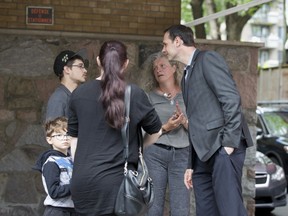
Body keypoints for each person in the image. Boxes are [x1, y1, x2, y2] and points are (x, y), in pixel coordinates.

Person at [162, 24, 253, 216]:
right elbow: (195, 123)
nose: (163, 50)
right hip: (202, 157)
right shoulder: (186, 75)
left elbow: (231, 99)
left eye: (165, 44)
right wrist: (191, 164)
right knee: (205, 211)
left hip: (222, 148)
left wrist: (227, 145)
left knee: (230, 211)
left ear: (178, 41)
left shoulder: (208, 60)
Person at [67, 40, 162, 216]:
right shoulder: (134, 94)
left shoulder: (78, 94)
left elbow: (74, 140)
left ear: (98, 61)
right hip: (118, 186)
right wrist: (139, 147)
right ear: (125, 63)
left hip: (83, 183)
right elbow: (156, 130)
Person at [144, 53, 190, 216]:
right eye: (155, 68)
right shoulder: (148, 97)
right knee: (154, 206)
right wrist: (166, 127)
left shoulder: (187, 95)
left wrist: (184, 122)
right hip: (155, 153)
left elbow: (198, 130)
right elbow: (144, 132)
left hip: (183, 155)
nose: (158, 70)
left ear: (174, 68)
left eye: (162, 66)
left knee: (181, 207)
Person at [34, 116, 75, 216]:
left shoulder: (73, 159)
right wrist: (76, 186)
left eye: (67, 134)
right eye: (59, 135)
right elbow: (54, 192)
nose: (64, 138)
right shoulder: (51, 162)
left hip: (73, 210)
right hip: (57, 211)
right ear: (49, 139)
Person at [45, 49, 89, 121]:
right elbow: (54, 131)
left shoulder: (75, 97)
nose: (85, 70)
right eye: (80, 66)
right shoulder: (58, 98)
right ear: (67, 69)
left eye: (84, 66)